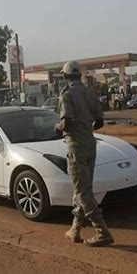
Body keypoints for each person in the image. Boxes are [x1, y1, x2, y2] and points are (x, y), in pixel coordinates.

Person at [54, 61, 114, 247]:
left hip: (76, 146)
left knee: (82, 192)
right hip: (90, 143)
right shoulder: (90, 92)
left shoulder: (67, 95)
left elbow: (67, 123)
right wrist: (86, 128)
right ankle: (75, 229)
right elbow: (100, 122)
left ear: (64, 77)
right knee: (82, 189)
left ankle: (101, 231)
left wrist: (57, 128)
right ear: (79, 75)